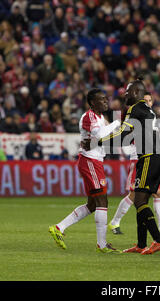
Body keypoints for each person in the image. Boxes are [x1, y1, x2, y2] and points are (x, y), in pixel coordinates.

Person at [93, 78, 160, 255]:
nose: (125, 94)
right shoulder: (147, 109)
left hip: (149, 156)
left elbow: (123, 133)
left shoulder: (135, 109)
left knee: (140, 201)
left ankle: (159, 240)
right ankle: (141, 244)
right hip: (154, 156)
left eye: (127, 92)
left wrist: (99, 141)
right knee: (141, 200)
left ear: (135, 92)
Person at [48, 88, 121, 253]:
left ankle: (59, 228)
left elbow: (104, 139)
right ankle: (101, 245)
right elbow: (100, 135)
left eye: (106, 99)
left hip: (95, 161)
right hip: (90, 161)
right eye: (101, 99)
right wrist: (117, 123)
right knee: (103, 201)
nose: (105, 102)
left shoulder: (101, 117)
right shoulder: (89, 116)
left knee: (93, 204)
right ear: (92, 103)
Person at [107, 92, 160, 236]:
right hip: (138, 158)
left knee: (158, 192)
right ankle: (115, 222)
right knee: (134, 194)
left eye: (150, 100)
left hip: (152, 158)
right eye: (145, 100)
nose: (148, 102)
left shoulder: (151, 117)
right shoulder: (137, 114)